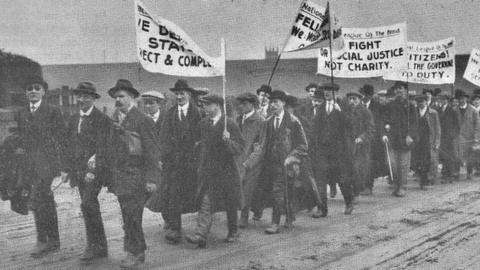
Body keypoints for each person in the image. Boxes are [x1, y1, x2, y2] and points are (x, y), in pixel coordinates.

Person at [106, 79, 162, 268]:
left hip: (137, 176)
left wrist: (152, 179)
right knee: (128, 215)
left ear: (132, 97)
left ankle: (135, 253)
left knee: (132, 216)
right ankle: (136, 250)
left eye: (122, 96)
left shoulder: (142, 120)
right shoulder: (115, 118)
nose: (118, 100)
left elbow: (153, 150)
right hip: (121, 177)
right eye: (116, 97)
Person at [16, 76, 67, 258]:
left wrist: (62, 166)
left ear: (44, 92)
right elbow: (21, 137)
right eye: (29, 88)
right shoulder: (22, 113)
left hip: (47, 164)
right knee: (42, 201)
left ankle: (43, 240)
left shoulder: (53, 111)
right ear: (26, 92)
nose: (33, 91)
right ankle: (51, 240)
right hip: (29, 165)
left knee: (38, 199)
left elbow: (62, 138)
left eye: (37, 88)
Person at [62, 82, 112, 263]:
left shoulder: (102, 120)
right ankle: (100, 246)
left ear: (93, 98)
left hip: (95, 172)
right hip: (78, 171)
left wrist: (94, 170)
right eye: (79, 96)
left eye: (86, 96)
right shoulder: (74, 118)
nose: (82, 99)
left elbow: (104, 148)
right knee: (88, 205)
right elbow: (69, 145)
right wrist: (66, 169)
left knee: (88, 203)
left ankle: (93, 246)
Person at [245, 90, 307, 234]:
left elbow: (303, 145)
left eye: (276, 102)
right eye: (271, 102)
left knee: (281, 192)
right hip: (269, 164)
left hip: (287, 165)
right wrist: (250, 163)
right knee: (278, 193)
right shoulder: (267, 122)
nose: (272, 105)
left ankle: (275, 223)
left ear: (283, 103)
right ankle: (288, 216)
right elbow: (261, 145)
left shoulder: (293, 121)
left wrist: (292, 156)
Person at [185, 94, 244, 247]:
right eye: (202, 105)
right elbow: (199, 142)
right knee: (205, 201)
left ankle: (233, 231)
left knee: (230, 203)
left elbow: (239, 148)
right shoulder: (203, 124)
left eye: (206, 105)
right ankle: (201, 235)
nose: (203, 108)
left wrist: (228, 141)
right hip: (208, 171)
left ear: (217, 105)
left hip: (226, 171)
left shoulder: (229, 124)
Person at [160, 79, 202, 244]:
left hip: (193, 162)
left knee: (198, 195)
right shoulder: (169, 114)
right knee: (173, 194)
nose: (179, 96)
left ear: (189, 95)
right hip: (175, 163)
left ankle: (202, 229)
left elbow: (202, 136)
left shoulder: (198, 113)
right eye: (176, 93)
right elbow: (163, 138)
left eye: (182, 93)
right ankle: (175, 229)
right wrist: (165, 158)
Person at [382, 81, 418, 197]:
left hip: (405, 140)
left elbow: (415, 123)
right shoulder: (389, 105)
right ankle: (396, 184)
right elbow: (384, 121)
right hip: (392, 139)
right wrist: (384, 133)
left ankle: (402, 187)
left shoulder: (410, 106)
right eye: (397, 89)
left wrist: (410, 135)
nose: (398, 91)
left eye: (401, 88)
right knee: (392, 164)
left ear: (405, 91)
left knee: (403, 165)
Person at [235, 92, 265, 228]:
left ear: (252, 104)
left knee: (248, 188)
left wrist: (250, 162)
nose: (241, 106)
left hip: (253, 162)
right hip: (239, 160)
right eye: (240, 103)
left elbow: (261, 145)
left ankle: (244, 216)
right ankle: (257, 209)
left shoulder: (260, 121)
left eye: (245, 104)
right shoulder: (238, 119)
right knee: (242, 187)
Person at [140, 91, 167, 222]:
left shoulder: (167, 119)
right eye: (146, 103)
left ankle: (170, 223)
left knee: (165, 193)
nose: (148, 106)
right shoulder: (142, 120)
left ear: (160, 104)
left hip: (164, 162)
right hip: (148, 163)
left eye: (152, 103)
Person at [344, 92, 375, 201]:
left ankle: (356, 193)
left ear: (360, 99)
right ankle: (352, 192)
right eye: (350, 99)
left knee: (358, 170)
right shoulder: (346, 112)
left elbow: (370, 129)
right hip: (348, 145)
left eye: (354, 99)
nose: (352, 101)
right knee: (349, 170)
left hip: (361, 147)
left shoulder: (366, 112)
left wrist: (361, 138)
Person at [359, 84, 386, 195]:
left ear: (369, 96)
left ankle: (368, 186)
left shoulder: (378, 106)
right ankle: (361, 184)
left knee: (370, 163)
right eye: (362, 94)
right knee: (360, 163)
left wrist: (381, 136)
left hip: (373, 139)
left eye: (365, 95)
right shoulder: (358, 105)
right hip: (360, 138)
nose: (363, 97)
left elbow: (380, 123)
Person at [412, 95, 441, 189]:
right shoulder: (414, 112)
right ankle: (421, 177)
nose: (421, 104)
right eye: (419, 102)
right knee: (417, 161)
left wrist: (437, 141)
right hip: (416, 140)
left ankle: (424, 181)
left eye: (423, 102)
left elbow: (437, 128)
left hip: (428, 140)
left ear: (426, 102)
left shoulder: (433, 113)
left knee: (426, 161)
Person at [454, 89, 480, 180]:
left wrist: (476, 138)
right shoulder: (454, 110)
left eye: (463, 98)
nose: (462, 100)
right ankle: (456, 172)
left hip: (469, 137)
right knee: (457, 154)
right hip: (458, 137)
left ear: (466, 99)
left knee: (470, 156)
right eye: (460, 99)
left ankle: (469, 173)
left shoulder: (473, 110)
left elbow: (477, 125)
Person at [437, 94, 460, 183]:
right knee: (443, 156)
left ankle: (449, 175)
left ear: (447, 100)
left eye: (444, 99)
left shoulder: (452, 111)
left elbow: (457, 125)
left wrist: (453, 135)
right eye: (441, 99)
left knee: (449, 156)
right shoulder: (438, 110)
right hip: (441, 136)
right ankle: (444, 174)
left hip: (449, 137)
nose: (442, 101)